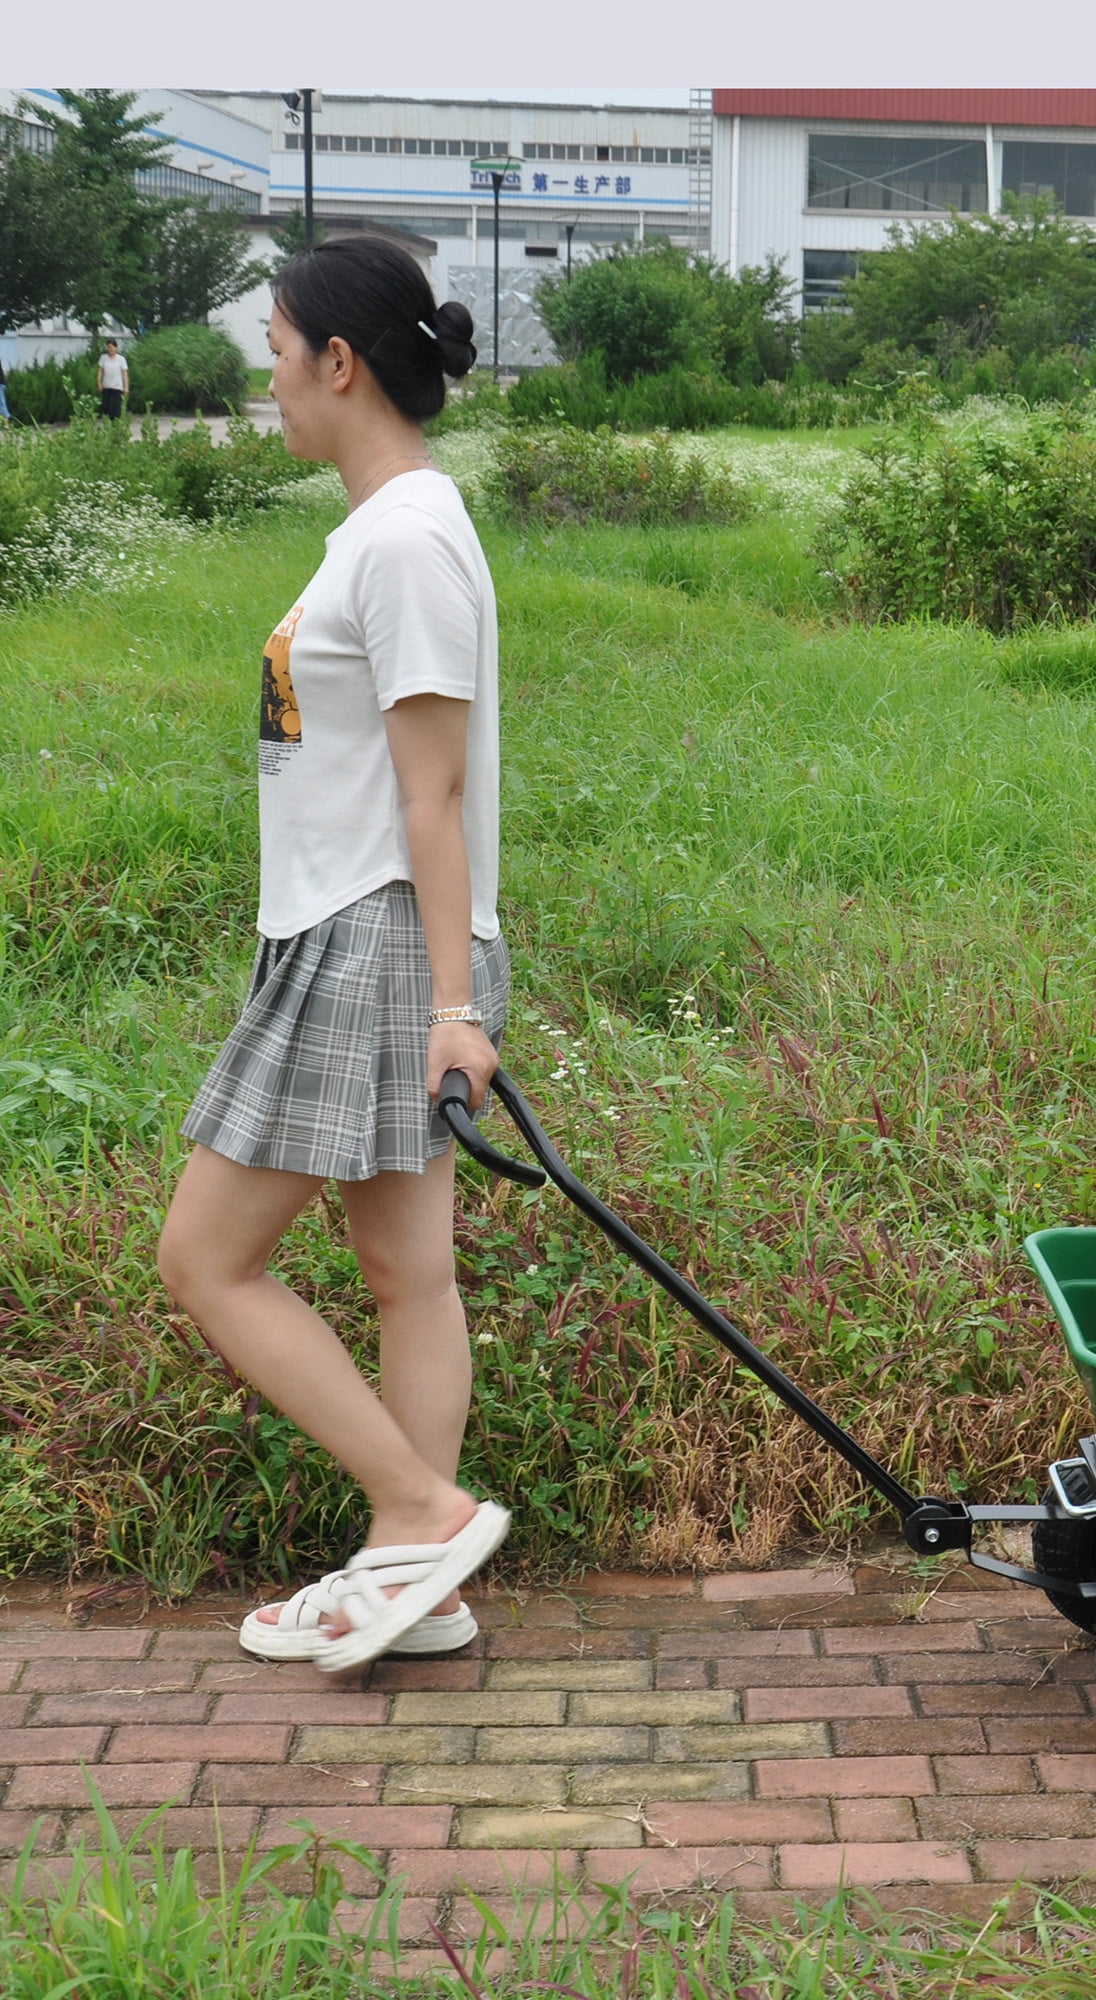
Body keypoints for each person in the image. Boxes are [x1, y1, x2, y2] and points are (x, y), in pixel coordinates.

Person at [155, 239, 509, 1674]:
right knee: (404, 1270)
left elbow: (435, 794)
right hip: (359, 931)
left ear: (340, 362)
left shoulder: (409, 538)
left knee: (205, 1257)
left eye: (276, 348)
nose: (268, 379)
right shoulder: (381, 529)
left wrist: (449, 1006)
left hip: (374, 942)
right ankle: (418, 1580)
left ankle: (419, 1507)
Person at [97, 339, 128, 420]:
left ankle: (115, 423)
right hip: (106, 386)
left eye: (111, 347)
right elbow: (100, 371)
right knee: (105, 406)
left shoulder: (121, 359)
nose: (109, 349)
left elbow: (124, 374)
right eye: (108, 347)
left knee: (116, 407)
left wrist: (126, 387)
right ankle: (107, 420)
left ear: (116, 348)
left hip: (117, 386)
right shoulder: (103, 358)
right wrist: (99, 383)